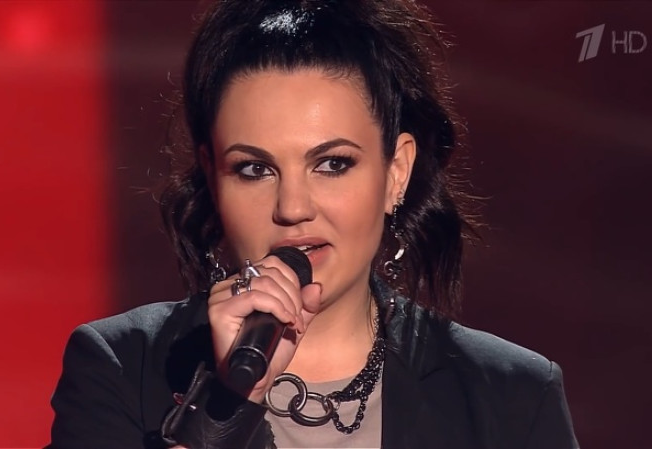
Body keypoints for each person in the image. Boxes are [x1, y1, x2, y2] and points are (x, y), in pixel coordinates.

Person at [46, 1, 579, 448]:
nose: (293, 207)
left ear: (396, 172)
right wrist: (228, 404)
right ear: (212, 175)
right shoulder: (122, 367)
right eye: (254, 169)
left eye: (332, 164)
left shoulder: (511, 397)